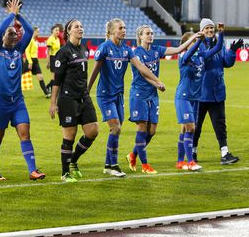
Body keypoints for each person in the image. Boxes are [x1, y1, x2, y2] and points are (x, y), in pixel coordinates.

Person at [87, 18, 164, 177]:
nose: (124, 30)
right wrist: (86, 90)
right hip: (105, 95)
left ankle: (108, 165)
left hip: (119, 96)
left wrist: (156, 81)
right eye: (121, 28)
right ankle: (114, 165)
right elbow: (95, 71)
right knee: (116, 127)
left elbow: (141, 68)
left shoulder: (127, 50)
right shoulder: (104, 48)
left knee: (116, 130)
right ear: (112, 31)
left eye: (124, 27)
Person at [125, 25, 199, 174]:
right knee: (141, 129)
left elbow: (177, 50)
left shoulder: (156, 50)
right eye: (147, 33)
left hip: (153, 94)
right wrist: (158, 81)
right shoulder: (136, 53)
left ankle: (133, 154)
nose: (151, 35)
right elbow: (143, 72)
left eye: (152, 33)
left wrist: (193, 38)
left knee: (151, 131)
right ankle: (145, 165)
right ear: (140, 36)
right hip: (139, 94)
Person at [0, 0, 46, 181]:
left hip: (17, 101)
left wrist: (18, 15)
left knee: (25, 133)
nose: (14, 36)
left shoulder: (19, 50)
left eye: (15, 34)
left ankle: (33, 170)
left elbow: (28, 30)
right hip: (0, 101)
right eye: (10, 34)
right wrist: (11, 16)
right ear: (3, 37)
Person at [48, 19, 99, 182]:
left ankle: (74, 161)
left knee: (93, 131)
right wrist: (53, 102)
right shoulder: (63, 52)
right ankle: (65, 173)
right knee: (70, 135)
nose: (80, 29)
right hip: (67, 98)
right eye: (76, 27)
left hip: (84, 96)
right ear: (68, 31)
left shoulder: (85, 49)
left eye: (81, 26)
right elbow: (57, 80)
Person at [192, 18, 243, 165]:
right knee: (196, 125)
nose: (209, 30)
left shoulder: (219, 44)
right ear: (202, 30)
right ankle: (193, 152)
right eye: (207, 28)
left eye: (211, 28)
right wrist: (221, 38)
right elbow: (206, 58)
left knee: (220, 124)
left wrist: (232, 52)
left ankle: (225, 153)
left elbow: (227, 63)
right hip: (200, 92)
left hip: (218, 92)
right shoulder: (198, 45)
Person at [174, 28, 225, 171]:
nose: (196, 43)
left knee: (185, 128)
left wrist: (220, 33)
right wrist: (198, 40)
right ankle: (190, 162)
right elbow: (190, 52)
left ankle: (180, 162)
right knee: (191, 128)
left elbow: (218, 48)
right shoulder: (183, 55)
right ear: (187, 43)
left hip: (195, 98)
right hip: (183, 97)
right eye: (193, 41)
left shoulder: (201, 56)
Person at [25, 26, 51, 98]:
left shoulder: (35, 40)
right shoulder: (30, 40)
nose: (38, 33)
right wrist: (30, 62)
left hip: (35, 60)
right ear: (34, 32)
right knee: (18, 76)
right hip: (30, 60)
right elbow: (27, 51)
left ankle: (46, 93)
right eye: (37, 31)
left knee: (40, 77)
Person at [45, 24, 61, 92]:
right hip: (52, 58)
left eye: (58, 30)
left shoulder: (58, 39)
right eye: (56, 30)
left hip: (58, 58)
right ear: (52, 31)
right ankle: (52, 91)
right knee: (54, 76)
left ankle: (48, 87)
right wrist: (48, 62)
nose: (58, 31)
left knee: (57, 75)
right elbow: (48, 52)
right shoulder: (50, 39)